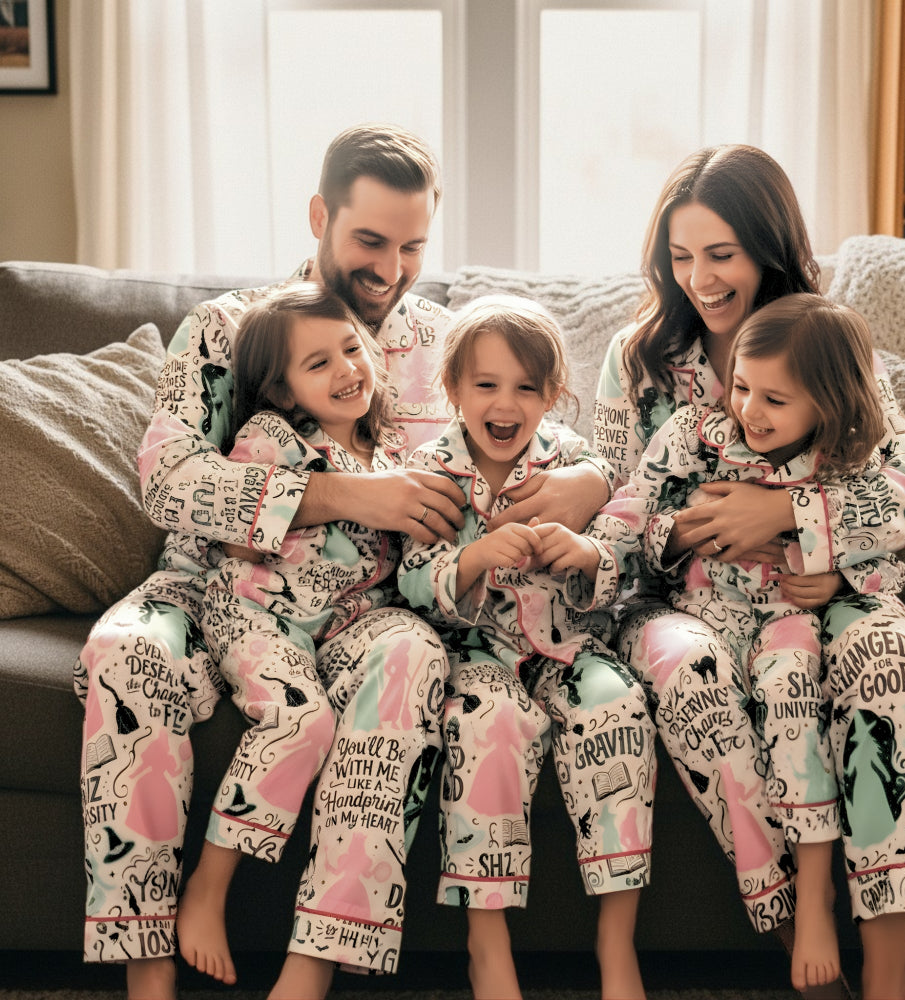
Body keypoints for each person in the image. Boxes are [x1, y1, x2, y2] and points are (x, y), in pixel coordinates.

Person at [76, 122, 612, 1000]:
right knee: (124, 653)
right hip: (216, 586)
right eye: (369, 240)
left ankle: (314, 965)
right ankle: (149, 968)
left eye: (412, 246)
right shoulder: (230, 328)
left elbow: (554, 428)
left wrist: (588, 481)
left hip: (376, 604)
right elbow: (166, 480)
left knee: (411, 657)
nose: (391, 269)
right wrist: (348, 495)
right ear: (320, 214)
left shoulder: (446, 343)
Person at [594, 144, 905, 1000]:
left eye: (721, 255)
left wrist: (794, 520)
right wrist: (698, 533)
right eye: (681, 257)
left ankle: (888, 978)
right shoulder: (637, 362)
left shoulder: (819, 339)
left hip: (828, 592)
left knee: (893, 672)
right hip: (687, 602)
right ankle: (801, 941)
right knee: (696, 678)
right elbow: (615, 510)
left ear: (768, 247)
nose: (700, 280)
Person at [397, 295, 656, 1000]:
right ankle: (488, 944)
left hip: (573, 650)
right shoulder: (431, 472)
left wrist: (582, 553)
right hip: (479, 658)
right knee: (489, 727)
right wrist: (475, 558)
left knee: (619, 709)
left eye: (526, 388)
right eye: (486, 385)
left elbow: (624, 561)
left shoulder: (574, 463)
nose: (505, 403)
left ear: (552, 396)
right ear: (452, 391)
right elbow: (410, 582)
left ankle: (616, 939)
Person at [174, 282, 410, 985]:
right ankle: (207, 888)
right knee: (304, 724)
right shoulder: (270, 438)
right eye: (319, 364)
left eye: (351, 348)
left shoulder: (387, 453)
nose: (346, 369)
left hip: (334, 630)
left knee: (373, 693)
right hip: (253, 612)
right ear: (279, 389)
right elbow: (241, 542)